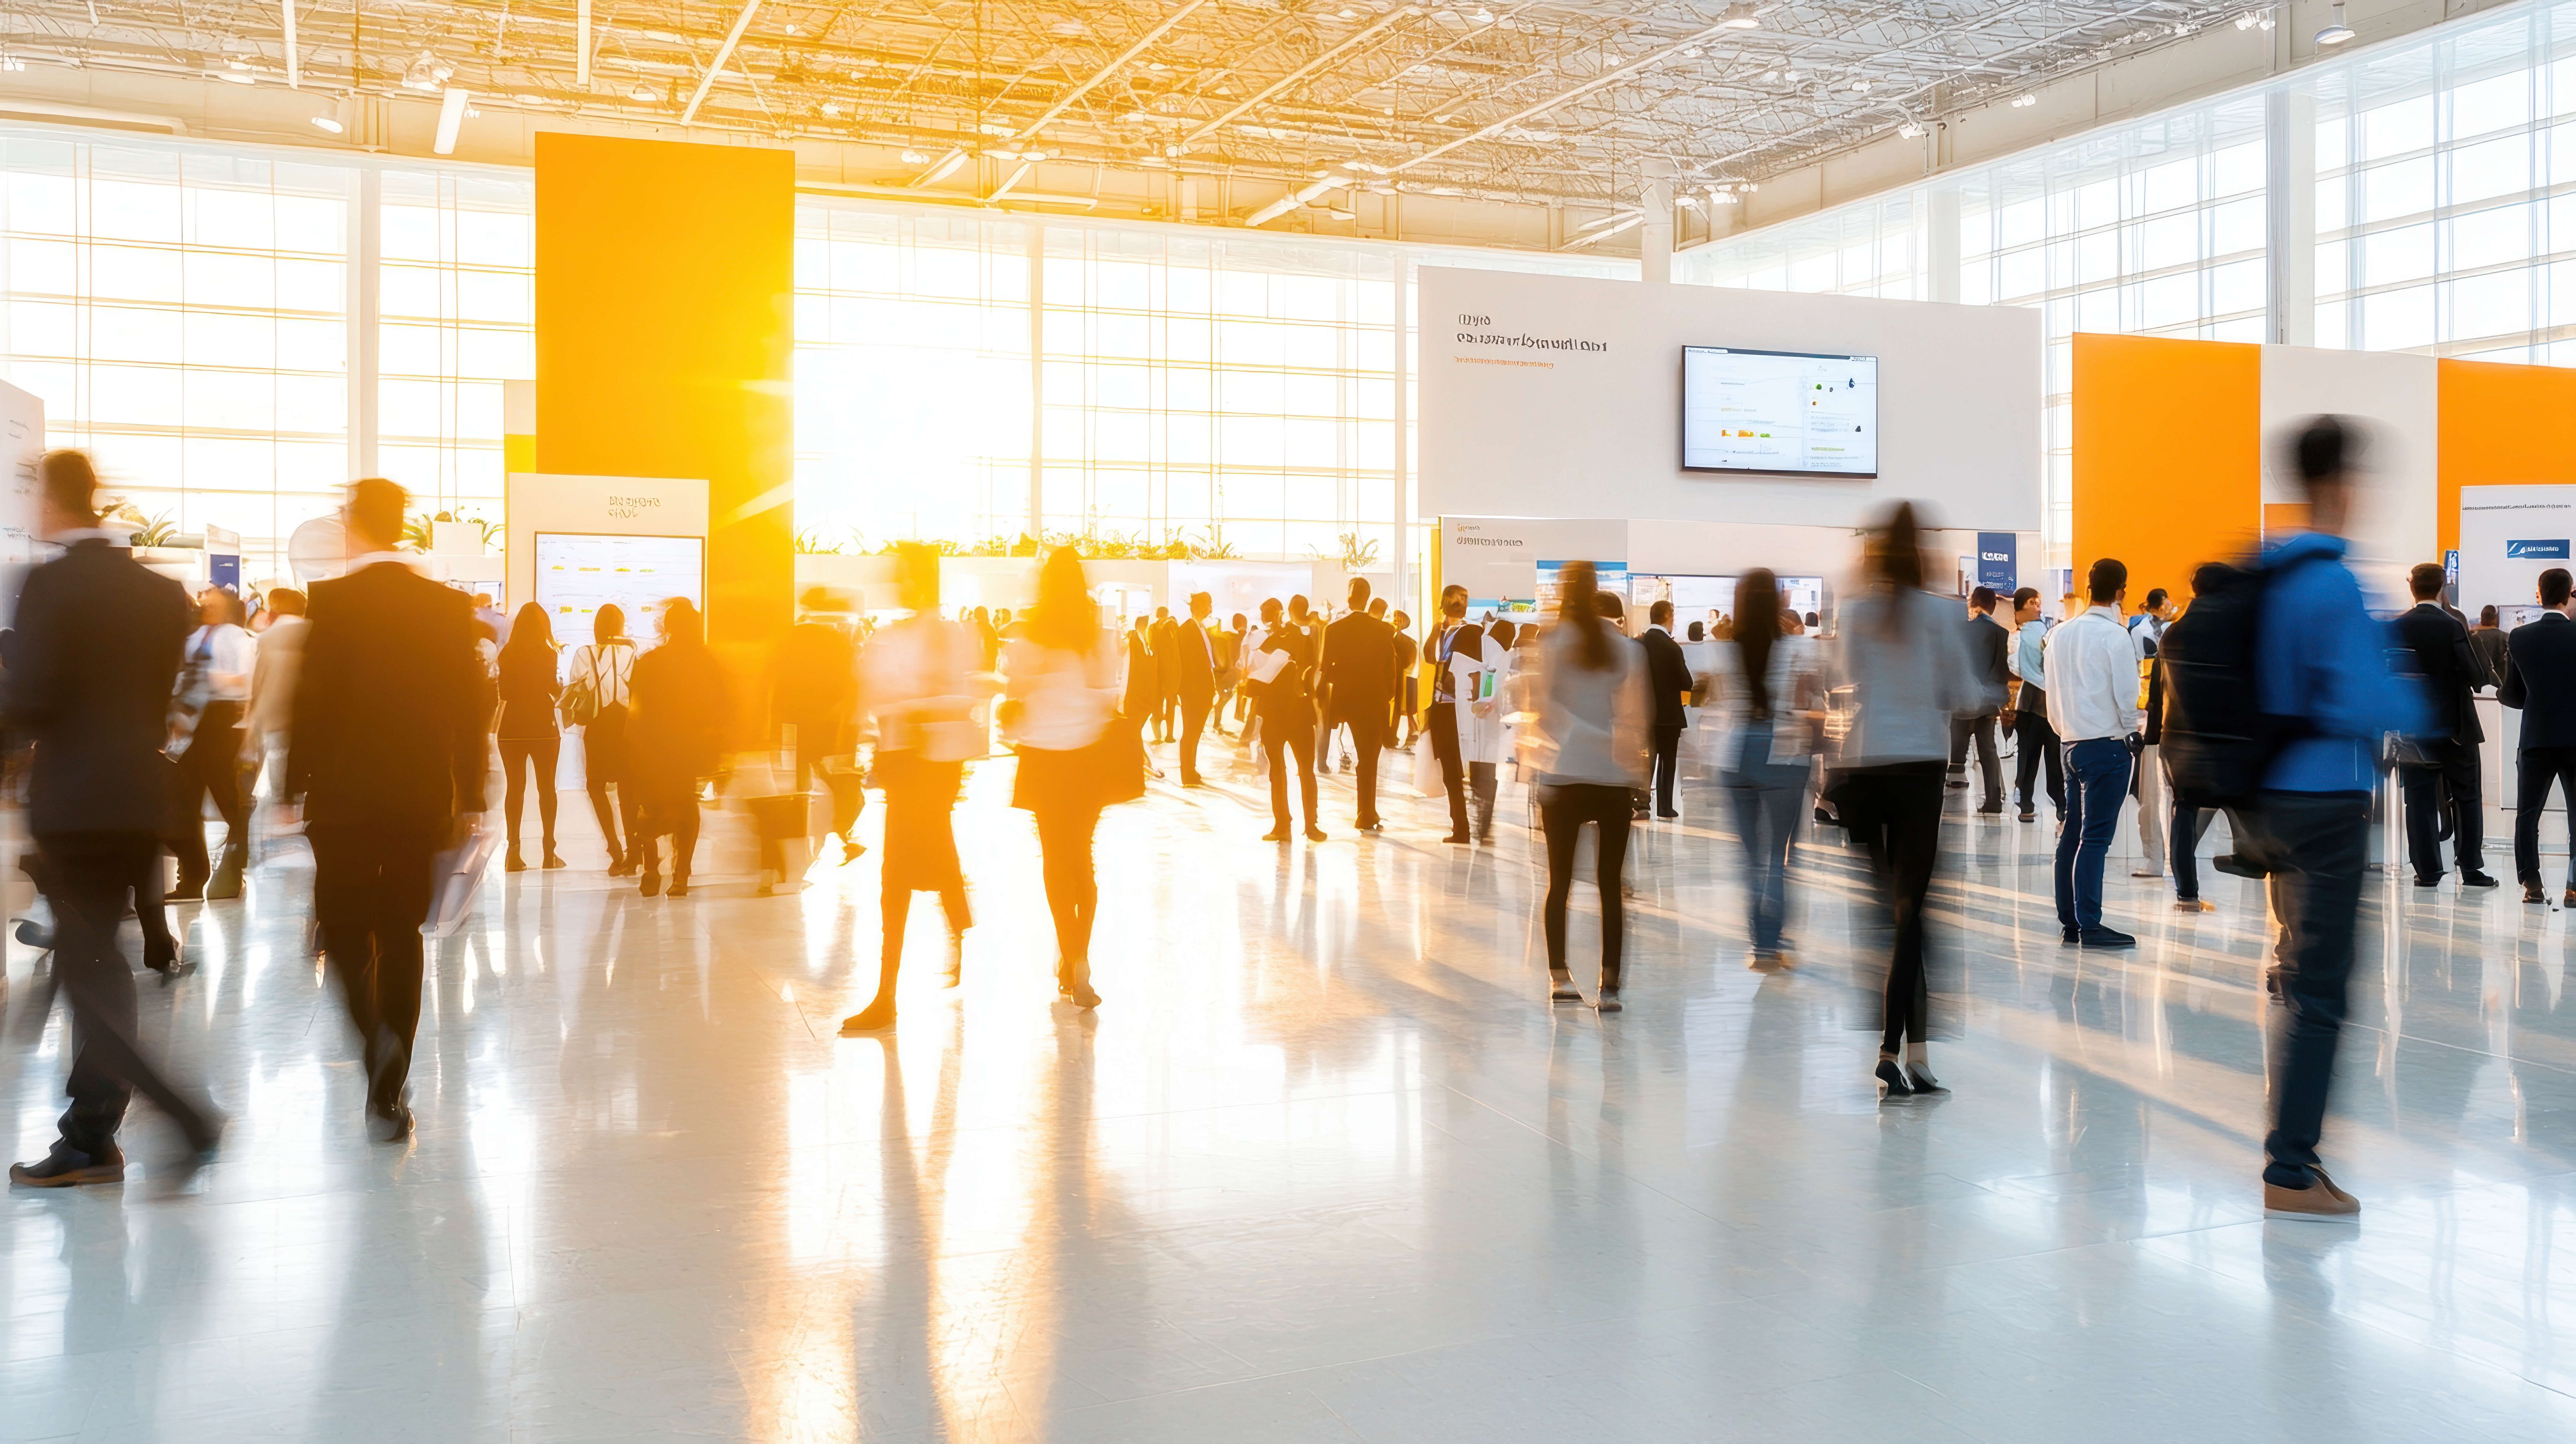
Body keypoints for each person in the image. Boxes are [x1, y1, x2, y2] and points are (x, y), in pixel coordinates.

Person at [4, 450, 224, 1187]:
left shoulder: (48, 584)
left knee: (86, 973)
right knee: (100, 967)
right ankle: (92, 1136)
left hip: (76, 805)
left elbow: (30, 697)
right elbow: (168, 692)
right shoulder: (159, 592)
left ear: (51, 502)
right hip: (139, 798)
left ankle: (185, 1118)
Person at [2243, 415, 2426, 1219]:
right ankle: (2291, 1169)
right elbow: (2362, 697)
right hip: (2328, 801)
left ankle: (2292, 1145)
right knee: (2321, 988)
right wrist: (2417, 706)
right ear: (2341, 484)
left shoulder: (2270, 574)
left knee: (2295, 973)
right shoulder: (2334, 581)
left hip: (2273, 797)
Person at [289, 476, 486, 1142]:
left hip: (342, 798)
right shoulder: (446, 605)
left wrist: (290, 785)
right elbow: (470, 708)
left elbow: (311, 702)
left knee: (344, 930)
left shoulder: (332, 600)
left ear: (354, 524)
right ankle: (388, 1092)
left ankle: (376, 1037)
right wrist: (471, 794)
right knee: (402, 932)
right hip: (419, 797)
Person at [1828, 502, 1974, 1098]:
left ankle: (1909, 1052)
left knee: (1891, 916)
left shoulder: (1858, 610)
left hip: (1867, 766)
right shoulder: (1941, 613)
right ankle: (1901, 1050)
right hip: (1921, 768)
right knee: (1911, 915)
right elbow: (1961, 691)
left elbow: (1844, 678)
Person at [840, 544, 983, 1033]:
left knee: (900, 873)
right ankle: (956, 923)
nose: (896, 583)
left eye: (902, 575)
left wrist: (904, 699)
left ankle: (888, 994)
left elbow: (956, 693)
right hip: (909, 763)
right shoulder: (906, 635)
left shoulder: (943, 635)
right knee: (918, 862)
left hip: (928, 764)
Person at [1523, 562, 1651, 1011]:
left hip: (1562, 774)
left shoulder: (1551, 643)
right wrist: (1636, 771)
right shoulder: (1626, 649)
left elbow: (1540, 711)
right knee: (1610, 884)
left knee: (1559, 882)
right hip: (1612, 777)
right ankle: (1610, 984)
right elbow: (1636, 717)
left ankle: (1559, 977)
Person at [1001, 547, 1122, 1009]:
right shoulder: (1097, 634)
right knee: (1082, 860)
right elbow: (1109, 696)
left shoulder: (1030, 631)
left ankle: (1071, 955)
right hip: (1088, 757)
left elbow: (1015, 693)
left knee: (1055, 861)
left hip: (1043, 757)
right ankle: (1081, 959)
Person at [1717, 569, 1820, 971]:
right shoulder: (1798, 650)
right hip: (1785, 754)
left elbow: (1717, 707)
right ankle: (1772, 944)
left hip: (1736, 753)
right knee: (1779, 856)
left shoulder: (1726, 651)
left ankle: (1759, 947)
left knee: (1751, 860)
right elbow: (1809, 704)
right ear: (1777, 601)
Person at [2045, 558, 2142, 948]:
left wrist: (2065, 730)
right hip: (2106, 746)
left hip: (2069, 743)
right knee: (2095, 839)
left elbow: (2051, 692)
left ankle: (2070, 921)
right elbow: (2126, 695)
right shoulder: (2116, 636)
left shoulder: (2059, 634)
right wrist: (2132, 730)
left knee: (2072, 834)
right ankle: (2090, 923)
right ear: (2120, 592)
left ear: (2088, 589)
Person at [2397, 561, 2498, 891]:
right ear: (2443, 588)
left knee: (2419, 800)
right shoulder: (2453, 625)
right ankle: (2470, 868)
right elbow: (2476, 676)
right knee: (2467, 796)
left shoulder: (2397, 626)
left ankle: (2427, 871)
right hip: (2457, 727)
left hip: (2414, 729)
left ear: (2412, 587)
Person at [629, 597, 729, 897]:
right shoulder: (707, 662)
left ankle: (651, 868)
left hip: (654, 748)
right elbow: (720, 709)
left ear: (668, 627)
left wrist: (634, 746)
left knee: (649, 808)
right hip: (689, 750)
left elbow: (636, 709)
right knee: (686, 808)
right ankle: (681, 875)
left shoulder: (650, 661)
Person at [167, 585, 255, 900]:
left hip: (222, 721)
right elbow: (182, 676)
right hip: (193, 720)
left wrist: (210, 680)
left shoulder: (238, 638)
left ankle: (234, 867)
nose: (205, 608)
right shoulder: (195, 638)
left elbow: (246, 680)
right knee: (186, 801)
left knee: (226, 796)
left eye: (212, 604)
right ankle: (191, 879)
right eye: (204, 603)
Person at [2502, 565, 2576, 905]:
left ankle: (2532, 884)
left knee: (2528, 815)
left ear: (2539, 594)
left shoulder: (2520, 637)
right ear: (2569, 593)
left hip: (2536, 737)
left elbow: (2513, 694)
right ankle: (2573, 887)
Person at [772, 591, 862, 865]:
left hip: (794, 722)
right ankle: (840, 831)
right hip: (828, 724)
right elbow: (851, 683)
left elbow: (777, 681)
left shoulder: (791, 638)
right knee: (837, 780)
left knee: (798, 781)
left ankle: (800, 838)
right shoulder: (837, 641)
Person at [564, 604, 643, 874]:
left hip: (598, 727)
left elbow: (577, 690)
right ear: (620, 626)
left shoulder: (584, 654)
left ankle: (614, 848)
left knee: (596, 786)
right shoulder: (632, 654)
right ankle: (635, 850)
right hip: (627, 727)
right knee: (628, 788)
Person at [1320, 577, 1398, 830]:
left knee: (1365, 757)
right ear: (1368, 599)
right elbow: (1391, 670)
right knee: (1369, 759)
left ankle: (1366, 813)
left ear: (1349, 599)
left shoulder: (1334, 630)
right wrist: (1385, 697)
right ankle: (1366, 812)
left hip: (1345, 701)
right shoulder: (1384, 631)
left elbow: (1325, 669)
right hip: (1374, 701)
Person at [493, 601, 564, 872]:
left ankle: (513, 852)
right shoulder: (548, 654)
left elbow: (504, 692)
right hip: (543, 727)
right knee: (547, 789)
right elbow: (551, 688)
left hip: (512, 728)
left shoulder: (507, 653)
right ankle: (549, 852)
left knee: (515, 788)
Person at [1250, 595, 1324, 841]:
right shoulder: (1272, 640)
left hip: (1284, 713)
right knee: (1291, 771)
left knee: (1292, 771)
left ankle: (1293, 825)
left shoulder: (1290, 637)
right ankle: (1299, 825)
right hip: (1290, 712)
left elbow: (1312, 666)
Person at [1424, 584, 1484, 844]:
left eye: (1464, 600)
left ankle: (1464, 828)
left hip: (1458, 709)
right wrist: (1437, 627)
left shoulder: (1471, 631)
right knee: (1450, 771)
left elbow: (1476, 669)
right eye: (1457, 600)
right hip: (1442, 707)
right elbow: (1429, 657)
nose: (1461, 604)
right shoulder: (1444, 631)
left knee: (1456, 771)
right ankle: (1461, 826)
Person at [2000, 587, 2062, 823]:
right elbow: (2017, 667)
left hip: (2042, 706)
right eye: (2033, 602)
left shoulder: (2043, 631)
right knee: (2032, 756)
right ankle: (2031, 804)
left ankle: (2056, 803)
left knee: (2045, 757)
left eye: (2039, 602)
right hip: (2035, 706)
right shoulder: (2018, 636)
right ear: (2020, 607)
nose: (2038, 606)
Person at [1946, 585, 2009, 814]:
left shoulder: (1959, 630)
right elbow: (2001, 671)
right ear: (1993, 605)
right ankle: (1994, 801)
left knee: (1955, 749)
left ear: (1972, 603)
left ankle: (1951, 787)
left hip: (1962, 700)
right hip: (1987, 702)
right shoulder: (2001, 633)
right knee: (1988, 750)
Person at [1640, 599, 1694, 820]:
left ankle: (1642, 803)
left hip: (1643, 713)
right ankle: (1665, 806)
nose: (1674, 621)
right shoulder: (1672, 648)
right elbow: (1687, 682)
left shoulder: (1639, 645)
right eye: (1673, 616)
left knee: (1646, 757)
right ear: (1666, 617)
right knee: (1668, 759)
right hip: (1670, 715)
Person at [1171, 591, 1220, 787]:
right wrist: (1192, 690)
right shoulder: (1187, 629)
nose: (1211, 608)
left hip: (1202, 690)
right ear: (1199, 606)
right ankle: (1187, 773)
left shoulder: (1200, 628)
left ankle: (1191, 769)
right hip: (1194, 691)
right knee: (1191, 733)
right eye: (1209, 604)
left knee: (1195, 733)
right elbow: (1187, 664)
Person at [1150, 606, 1181, 745]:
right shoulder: (1172, 626)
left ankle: (1159, 736)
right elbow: (1177, 649)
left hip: (1156, 670)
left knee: (1158, 703)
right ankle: (1169, 736)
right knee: (1170, 703)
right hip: (1170, 670)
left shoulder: (1153, 628)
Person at [1390, 609, 1418, 747]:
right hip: (1392, 678)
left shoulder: (1408, 641)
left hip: (1403, 678)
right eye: (1396, 620)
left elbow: (1408, 661)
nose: (1396, 622)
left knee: (1402, 708)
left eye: (1400, 620)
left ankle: (1396, 737)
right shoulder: (1389, 634)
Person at [2469, 604, 2508, 689]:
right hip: (2501, 685)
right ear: (2496, 619)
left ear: (2482, 620)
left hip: (2479, 686)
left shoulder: (2473, 638)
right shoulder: (2506, 637)